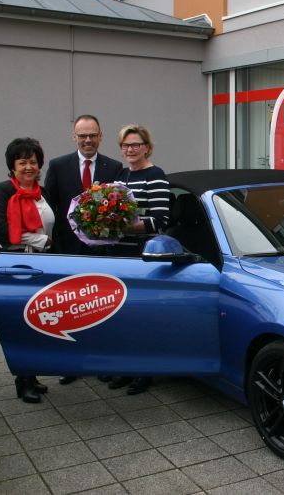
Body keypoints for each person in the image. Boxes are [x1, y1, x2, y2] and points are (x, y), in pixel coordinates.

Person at [43, 114, 122, 386]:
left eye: (92, 135)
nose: (87, 140)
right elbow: (49, 207)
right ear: (74, 137)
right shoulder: (57, 166)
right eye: (82, 135)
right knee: (69, 308)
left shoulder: (114, 167)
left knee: (101, 307)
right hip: (67, 250)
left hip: (102, 252)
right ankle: (71, 364)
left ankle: (101, 362)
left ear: (101, 136)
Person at [0, 138, 54, 403]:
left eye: (33, 162)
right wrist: (38, 240)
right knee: (18, 322)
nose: (29, 167)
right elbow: (0, 230)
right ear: (12, 166)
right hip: (12, 265)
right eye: (22, 162)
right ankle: (22, 380)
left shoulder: (42, 192)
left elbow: (52, 227)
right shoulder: (2, 191)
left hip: (42, 265)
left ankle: (32, 376)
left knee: (38, 321)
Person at [107, 123, 172, 395]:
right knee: (121, 315)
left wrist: (126, 225)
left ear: (147, 147)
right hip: (117, 253)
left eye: (135, 144)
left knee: (140, 316)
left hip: (141, 256)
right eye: (125, 145)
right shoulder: (121, 175)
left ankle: (144, 372)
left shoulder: (155, 175)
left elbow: (160, 220)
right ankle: (125, 368)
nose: (130, 149)